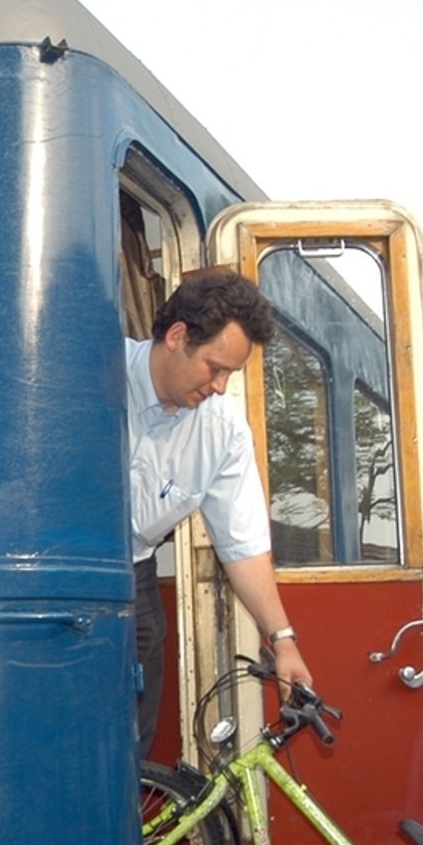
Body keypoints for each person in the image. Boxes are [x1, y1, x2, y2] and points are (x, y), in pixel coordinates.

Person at [128, 268, 313, 754]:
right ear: (176, 336)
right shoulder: (89, 378)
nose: (222, 386)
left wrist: (284, 641)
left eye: (232, 372)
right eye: (215, 367)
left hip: (134, 578)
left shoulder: (224, 432)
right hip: (58, 573)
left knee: (129, 748)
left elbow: (243, 545)